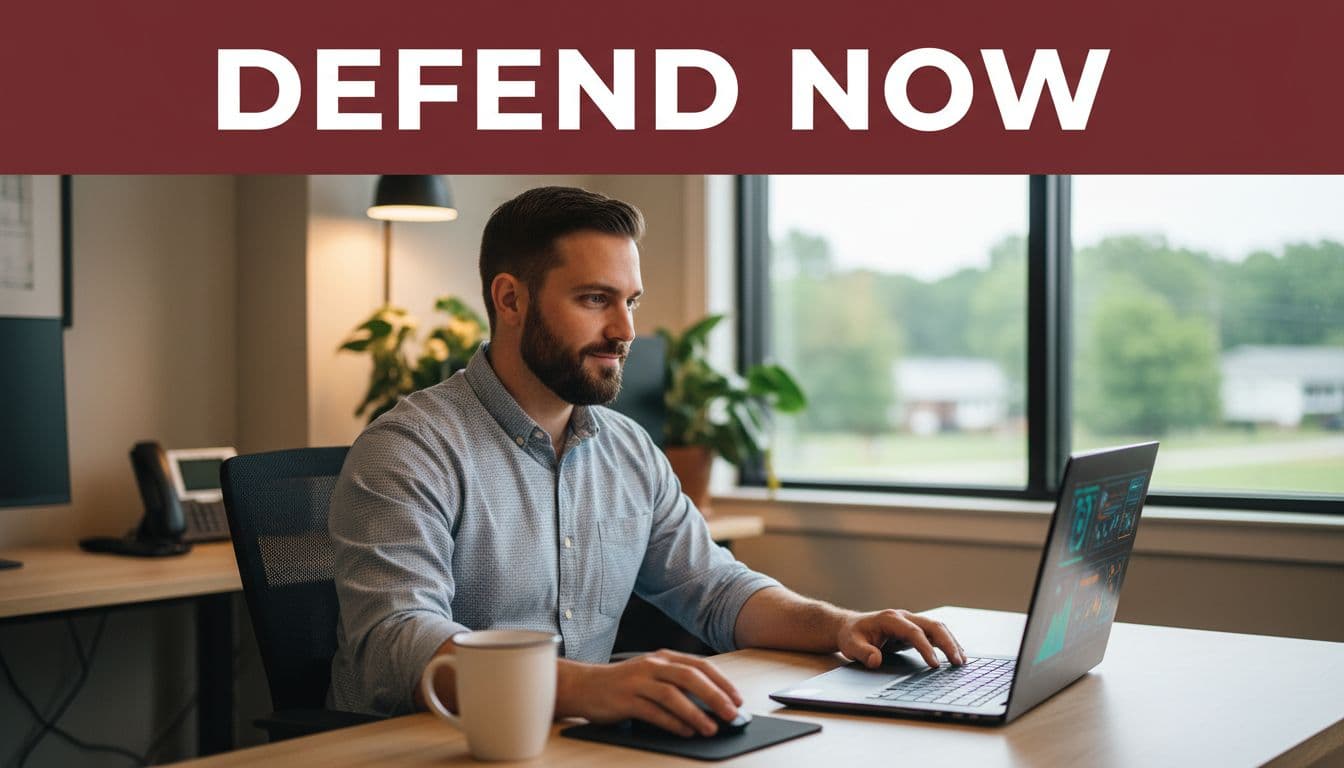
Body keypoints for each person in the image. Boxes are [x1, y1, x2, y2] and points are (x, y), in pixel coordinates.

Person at [328, 186, 965, 737]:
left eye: (629, 301)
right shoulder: (408, 450)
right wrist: (588, 689)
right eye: (594, 300)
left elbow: (714, 589)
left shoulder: (628, 449)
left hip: (573, 744)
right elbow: (396, 645)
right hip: (428, 750)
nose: (626, 331)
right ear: (510, 299)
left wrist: (841, 625)